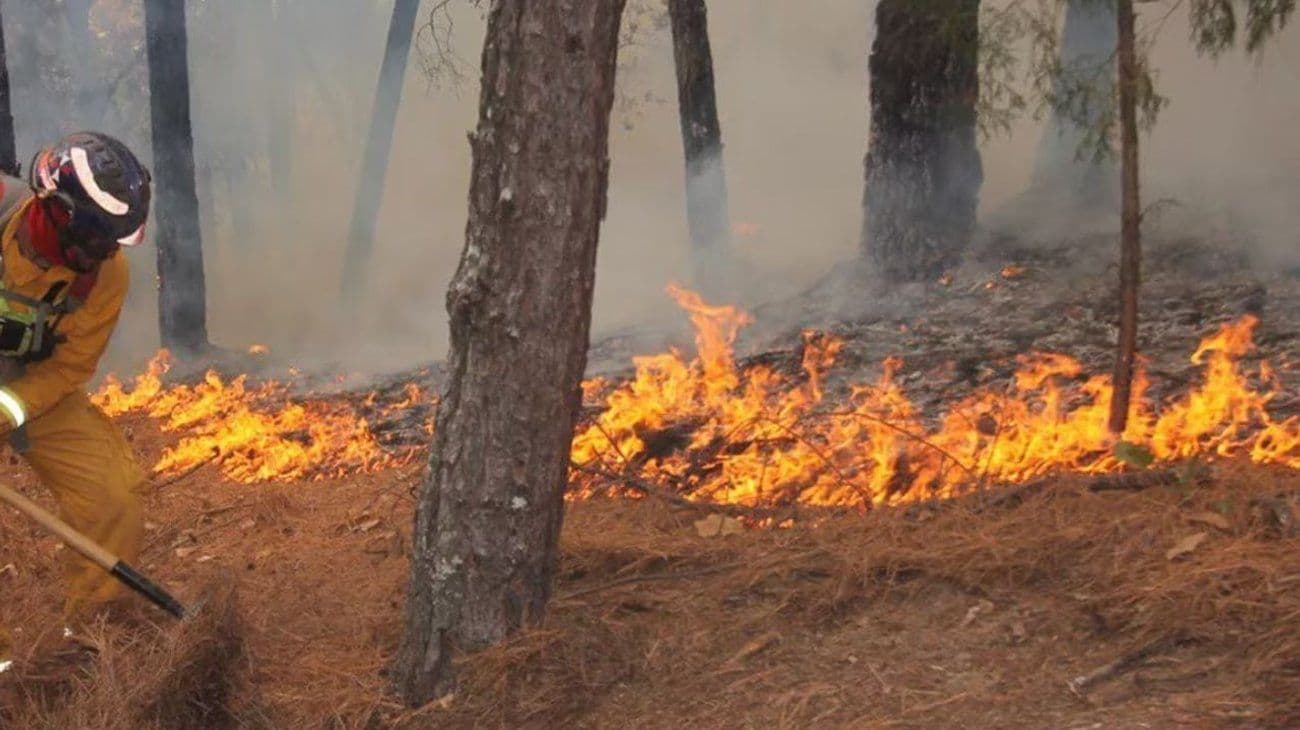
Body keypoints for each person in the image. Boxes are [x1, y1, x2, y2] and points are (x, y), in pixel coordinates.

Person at [0, 132, 152, 674]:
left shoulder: (105, 276)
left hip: (30, 388)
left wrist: (7, 407)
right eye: (92, 236)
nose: (100, 254)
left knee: (111, 493)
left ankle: (93, 641)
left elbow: (68, 366)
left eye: (112, 241)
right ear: (53, 209)